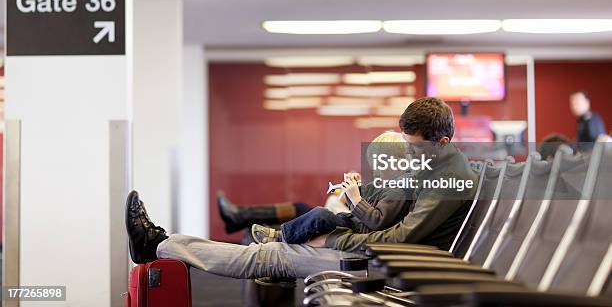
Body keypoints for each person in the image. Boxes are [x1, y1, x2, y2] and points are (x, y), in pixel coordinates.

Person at [126, 97, 479, 279]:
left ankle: (160, 245)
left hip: (392, 264)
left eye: (415, 147)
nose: (409, 154)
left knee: (273, 256)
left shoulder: (448, 180)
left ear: (443, 140)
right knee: (274, 249)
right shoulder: (433, 165)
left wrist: (332, 240)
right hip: (382, 254)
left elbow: (401, 240)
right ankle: (161, 243)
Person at [250, 131, 413, 244]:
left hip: (361, 232)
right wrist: (353, 192)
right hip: (355, 223)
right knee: (320, 215)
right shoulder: (388, 185)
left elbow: (377, 221)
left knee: (320, 215)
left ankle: (281, 237)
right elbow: (365, 207)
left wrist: (356, 198)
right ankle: (284, 236)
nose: (376, 171)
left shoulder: (399, 191)